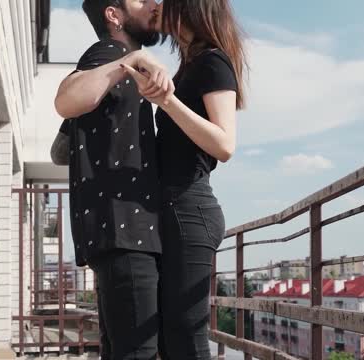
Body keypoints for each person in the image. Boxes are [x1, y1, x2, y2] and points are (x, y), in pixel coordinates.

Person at [121, 0, 247, 358]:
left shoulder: (213, 61)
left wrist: (168, 101)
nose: (155, 5)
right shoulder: (189, 65)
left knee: (185, 339)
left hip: (190, 210)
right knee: (169, 337)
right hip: (174, 211)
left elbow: (225, 144)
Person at [53, 1, 175, 358]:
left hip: (120, 234)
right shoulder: (109, 53)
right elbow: (66, 100)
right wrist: (130, 62)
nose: (153, 4)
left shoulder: (119, 70)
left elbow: (58, 152)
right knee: (138, 352)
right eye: (139, 0)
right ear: (114, 14)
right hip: (127, 233)